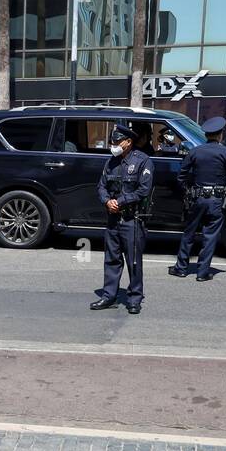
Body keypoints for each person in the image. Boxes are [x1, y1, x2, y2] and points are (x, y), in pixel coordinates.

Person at [90, 124, 153, 315]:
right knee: (111, 259)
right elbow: (101, 186)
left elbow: (144, 190)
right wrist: (107, 201)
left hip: (132, 219)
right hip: (113, 218)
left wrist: (121, 201)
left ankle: (134, 298)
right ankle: (109, 296)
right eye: (112, 141)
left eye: (117, 141)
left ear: (128, 142)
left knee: (134, 261)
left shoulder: (143, 161)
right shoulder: (111, 161)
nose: (114, 144)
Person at [170, 116, 226, 282]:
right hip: (217, 200)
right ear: (220, 134)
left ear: (206, 134)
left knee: (189, 233)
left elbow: (181, 176)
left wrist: (189, 192)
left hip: (197, 198)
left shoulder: (195, 151)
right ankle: (202, 272)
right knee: (210, 236)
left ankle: (180, 268)